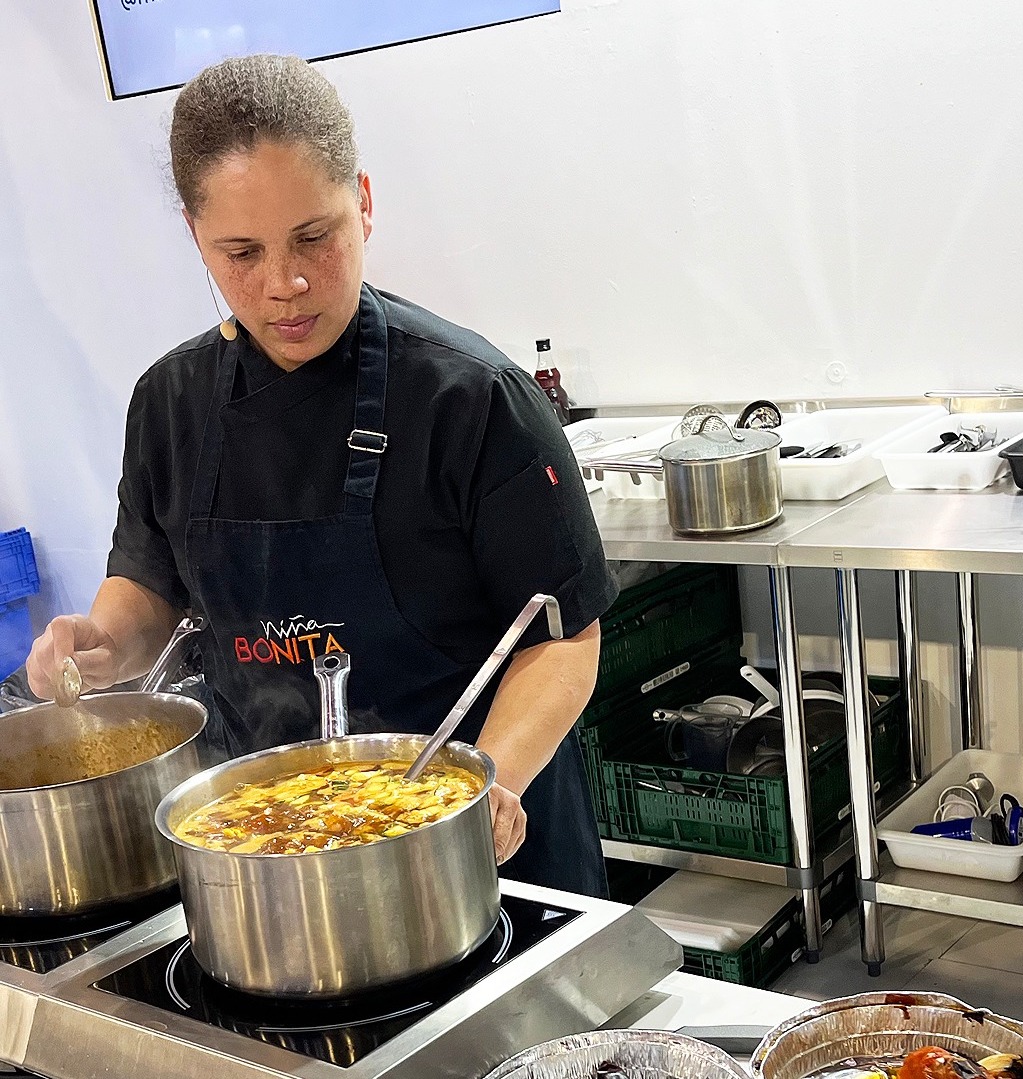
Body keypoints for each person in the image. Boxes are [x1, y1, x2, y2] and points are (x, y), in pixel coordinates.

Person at [26, 54, 617, 897]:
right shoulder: (170, 401)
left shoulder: (474, 400)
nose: (284, 284)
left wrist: (495, 778)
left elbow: (566, 640)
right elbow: (148, 587)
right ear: (196, 236)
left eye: (315, 236)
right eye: (241, 252)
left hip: (477, 848)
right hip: (269, 864)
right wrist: (102, 644)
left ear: (364, 204)